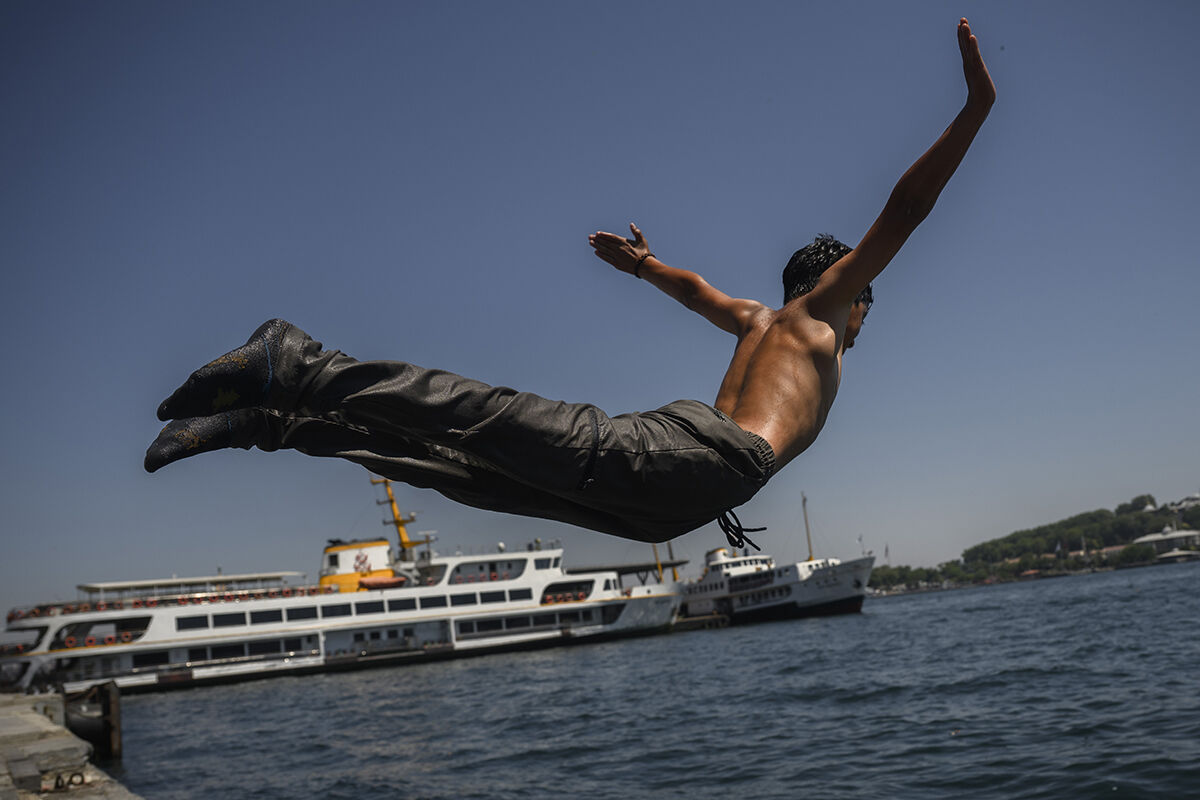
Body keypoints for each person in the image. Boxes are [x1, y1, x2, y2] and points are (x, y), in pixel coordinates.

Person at [146, 18, 995, 549]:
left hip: (679, 501)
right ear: (850, 299)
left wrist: (644, 267)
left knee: (471, 470)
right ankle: (293, 362)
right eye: (862, 307)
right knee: (485, 416)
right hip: (697, 462)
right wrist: (973, 113)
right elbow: (907, 208)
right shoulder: (821, 314)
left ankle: (274, 422)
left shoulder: (758, 321)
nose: (861, 321)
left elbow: (700, 291)